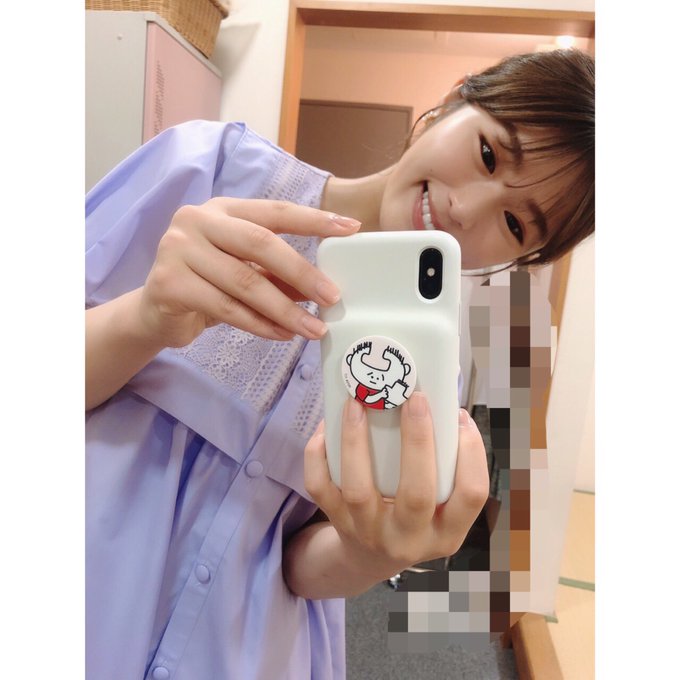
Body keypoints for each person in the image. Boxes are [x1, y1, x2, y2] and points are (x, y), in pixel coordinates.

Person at [86, 48, 594, 679]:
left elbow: (297, 568)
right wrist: (145, 319)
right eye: (489, 154)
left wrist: (372, 552)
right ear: (457, 98)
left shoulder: (431, 373)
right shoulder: (209, 169)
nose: (467, 209)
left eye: (515, 224)